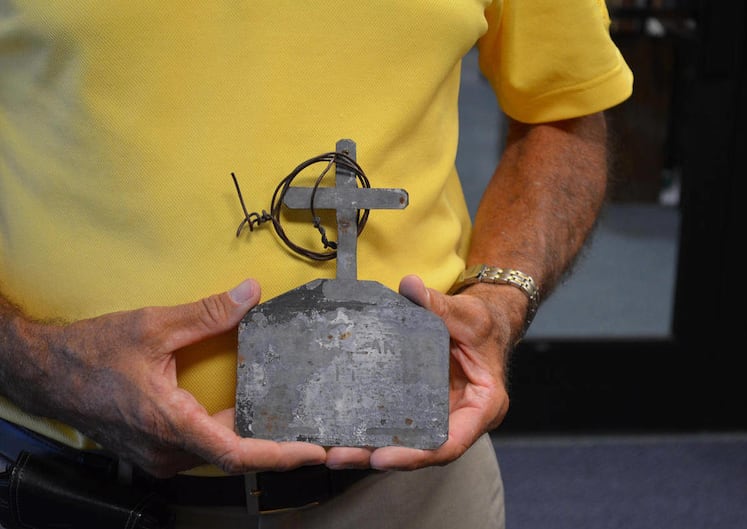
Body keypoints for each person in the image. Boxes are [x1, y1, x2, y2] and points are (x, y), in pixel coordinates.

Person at [0, 1, 632, 528]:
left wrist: (500, 299)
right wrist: (31, 357)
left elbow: (564, 109)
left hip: (407, 488)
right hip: (67, 488)